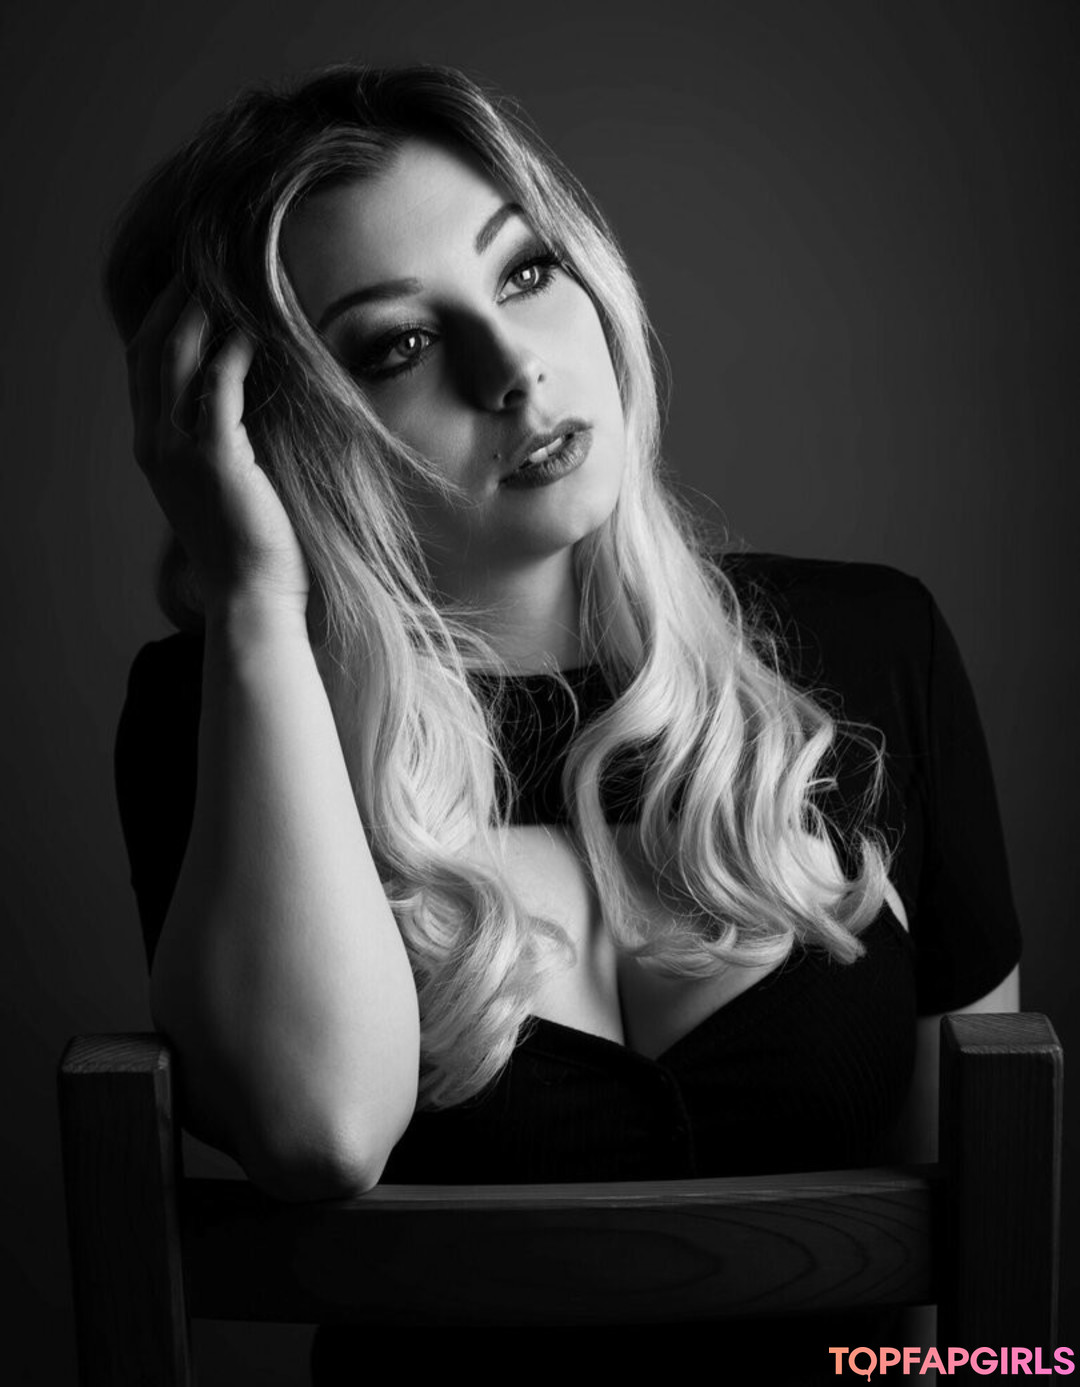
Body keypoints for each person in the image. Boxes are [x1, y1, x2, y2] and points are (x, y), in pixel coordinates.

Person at [106, 63, 1021, 1382]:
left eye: (526, 271)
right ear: (261, 432)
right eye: (397, 346)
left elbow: (983, 1272)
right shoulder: (216, 718)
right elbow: (318, 1135)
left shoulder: (880, 650)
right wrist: (255, 598)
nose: (512, 369)